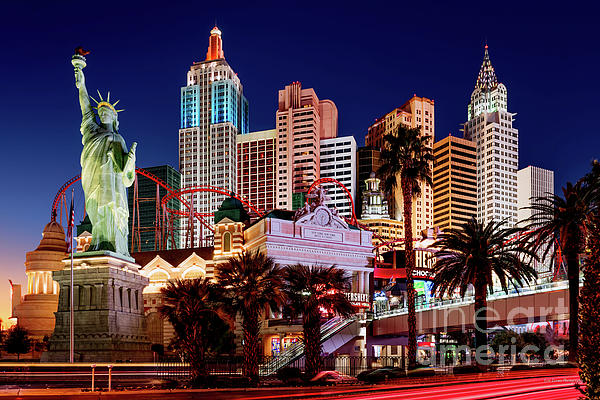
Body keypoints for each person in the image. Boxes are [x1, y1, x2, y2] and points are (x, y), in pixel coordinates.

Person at [74, 58, 136, 256]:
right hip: (93, 177)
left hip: (112, 183)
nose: (103, 114)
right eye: (100, 112)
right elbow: (85, 105)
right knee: (95, 208)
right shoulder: (92, 131)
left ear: (115, 117)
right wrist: (81, 82)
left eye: (107, 112)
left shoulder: (118, 138)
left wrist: (131, 160)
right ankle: (99, 242)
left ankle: (111, 242)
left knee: (110, 208)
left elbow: (126, 174)